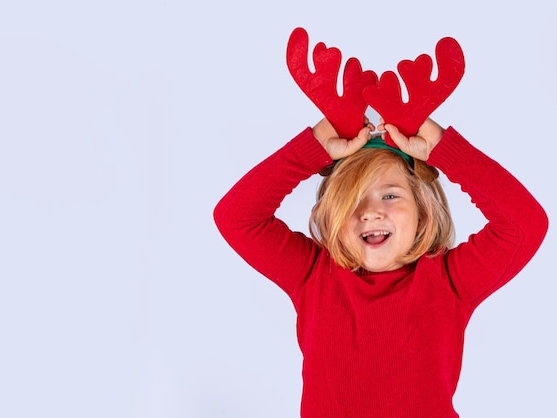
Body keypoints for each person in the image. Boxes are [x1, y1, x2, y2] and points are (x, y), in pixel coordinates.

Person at [213, 115, 548, 417]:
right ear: (332, 215)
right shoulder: (312, 273)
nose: (371, 212)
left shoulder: (449, 279)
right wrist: (311, 148)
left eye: (390, 196)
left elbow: (524, 225)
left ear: (422, 211)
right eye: (354, 199)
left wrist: (445, 150)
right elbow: (237, 218)